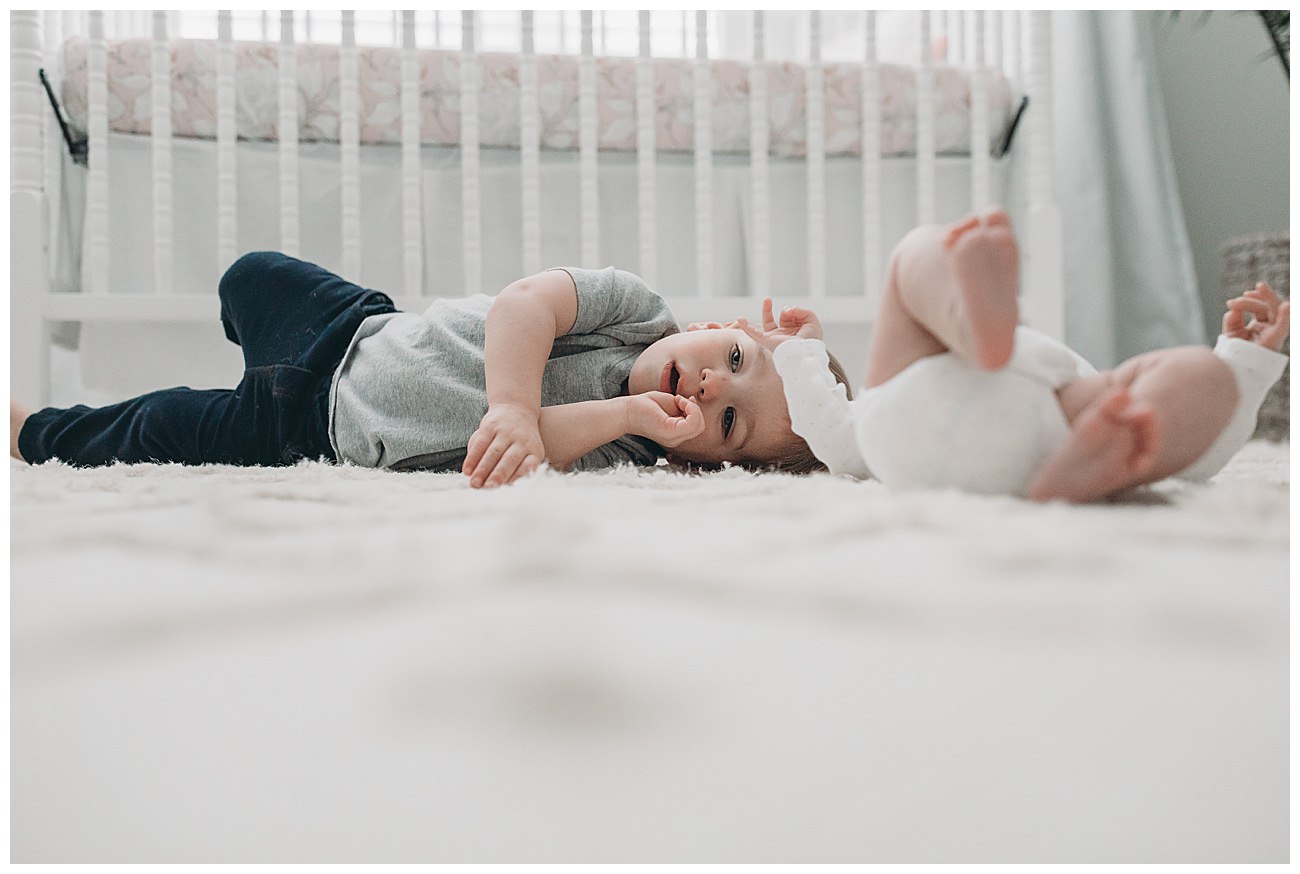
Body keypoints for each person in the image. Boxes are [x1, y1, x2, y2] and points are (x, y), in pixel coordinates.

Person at [11, 252, 850, 486]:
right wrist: (512, 404)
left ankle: (30, 429)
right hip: (353, 330)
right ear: (716, 327)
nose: (710, 387)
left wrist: (626, 419)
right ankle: (248, 329)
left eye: (730, 419)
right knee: (249, 275)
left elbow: (540, 445)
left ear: (711, 462)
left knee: (153, 430)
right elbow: (527, 304)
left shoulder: (626, 450)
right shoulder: (634, 309)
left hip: (310, 429)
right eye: (733, 358)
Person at [770, 208, 1290, 502]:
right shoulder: (854, 430)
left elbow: (1199, 455)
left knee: (1198, 380)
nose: (709, 383)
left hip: (1031, 447)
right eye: (732, 418)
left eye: (735, 358)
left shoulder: (863, 425)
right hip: (1058, 418)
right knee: (912, 253)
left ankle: (1098, 464)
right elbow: (1206, 457)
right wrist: (798, 352)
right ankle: (965, 318)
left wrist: (1239, 365)